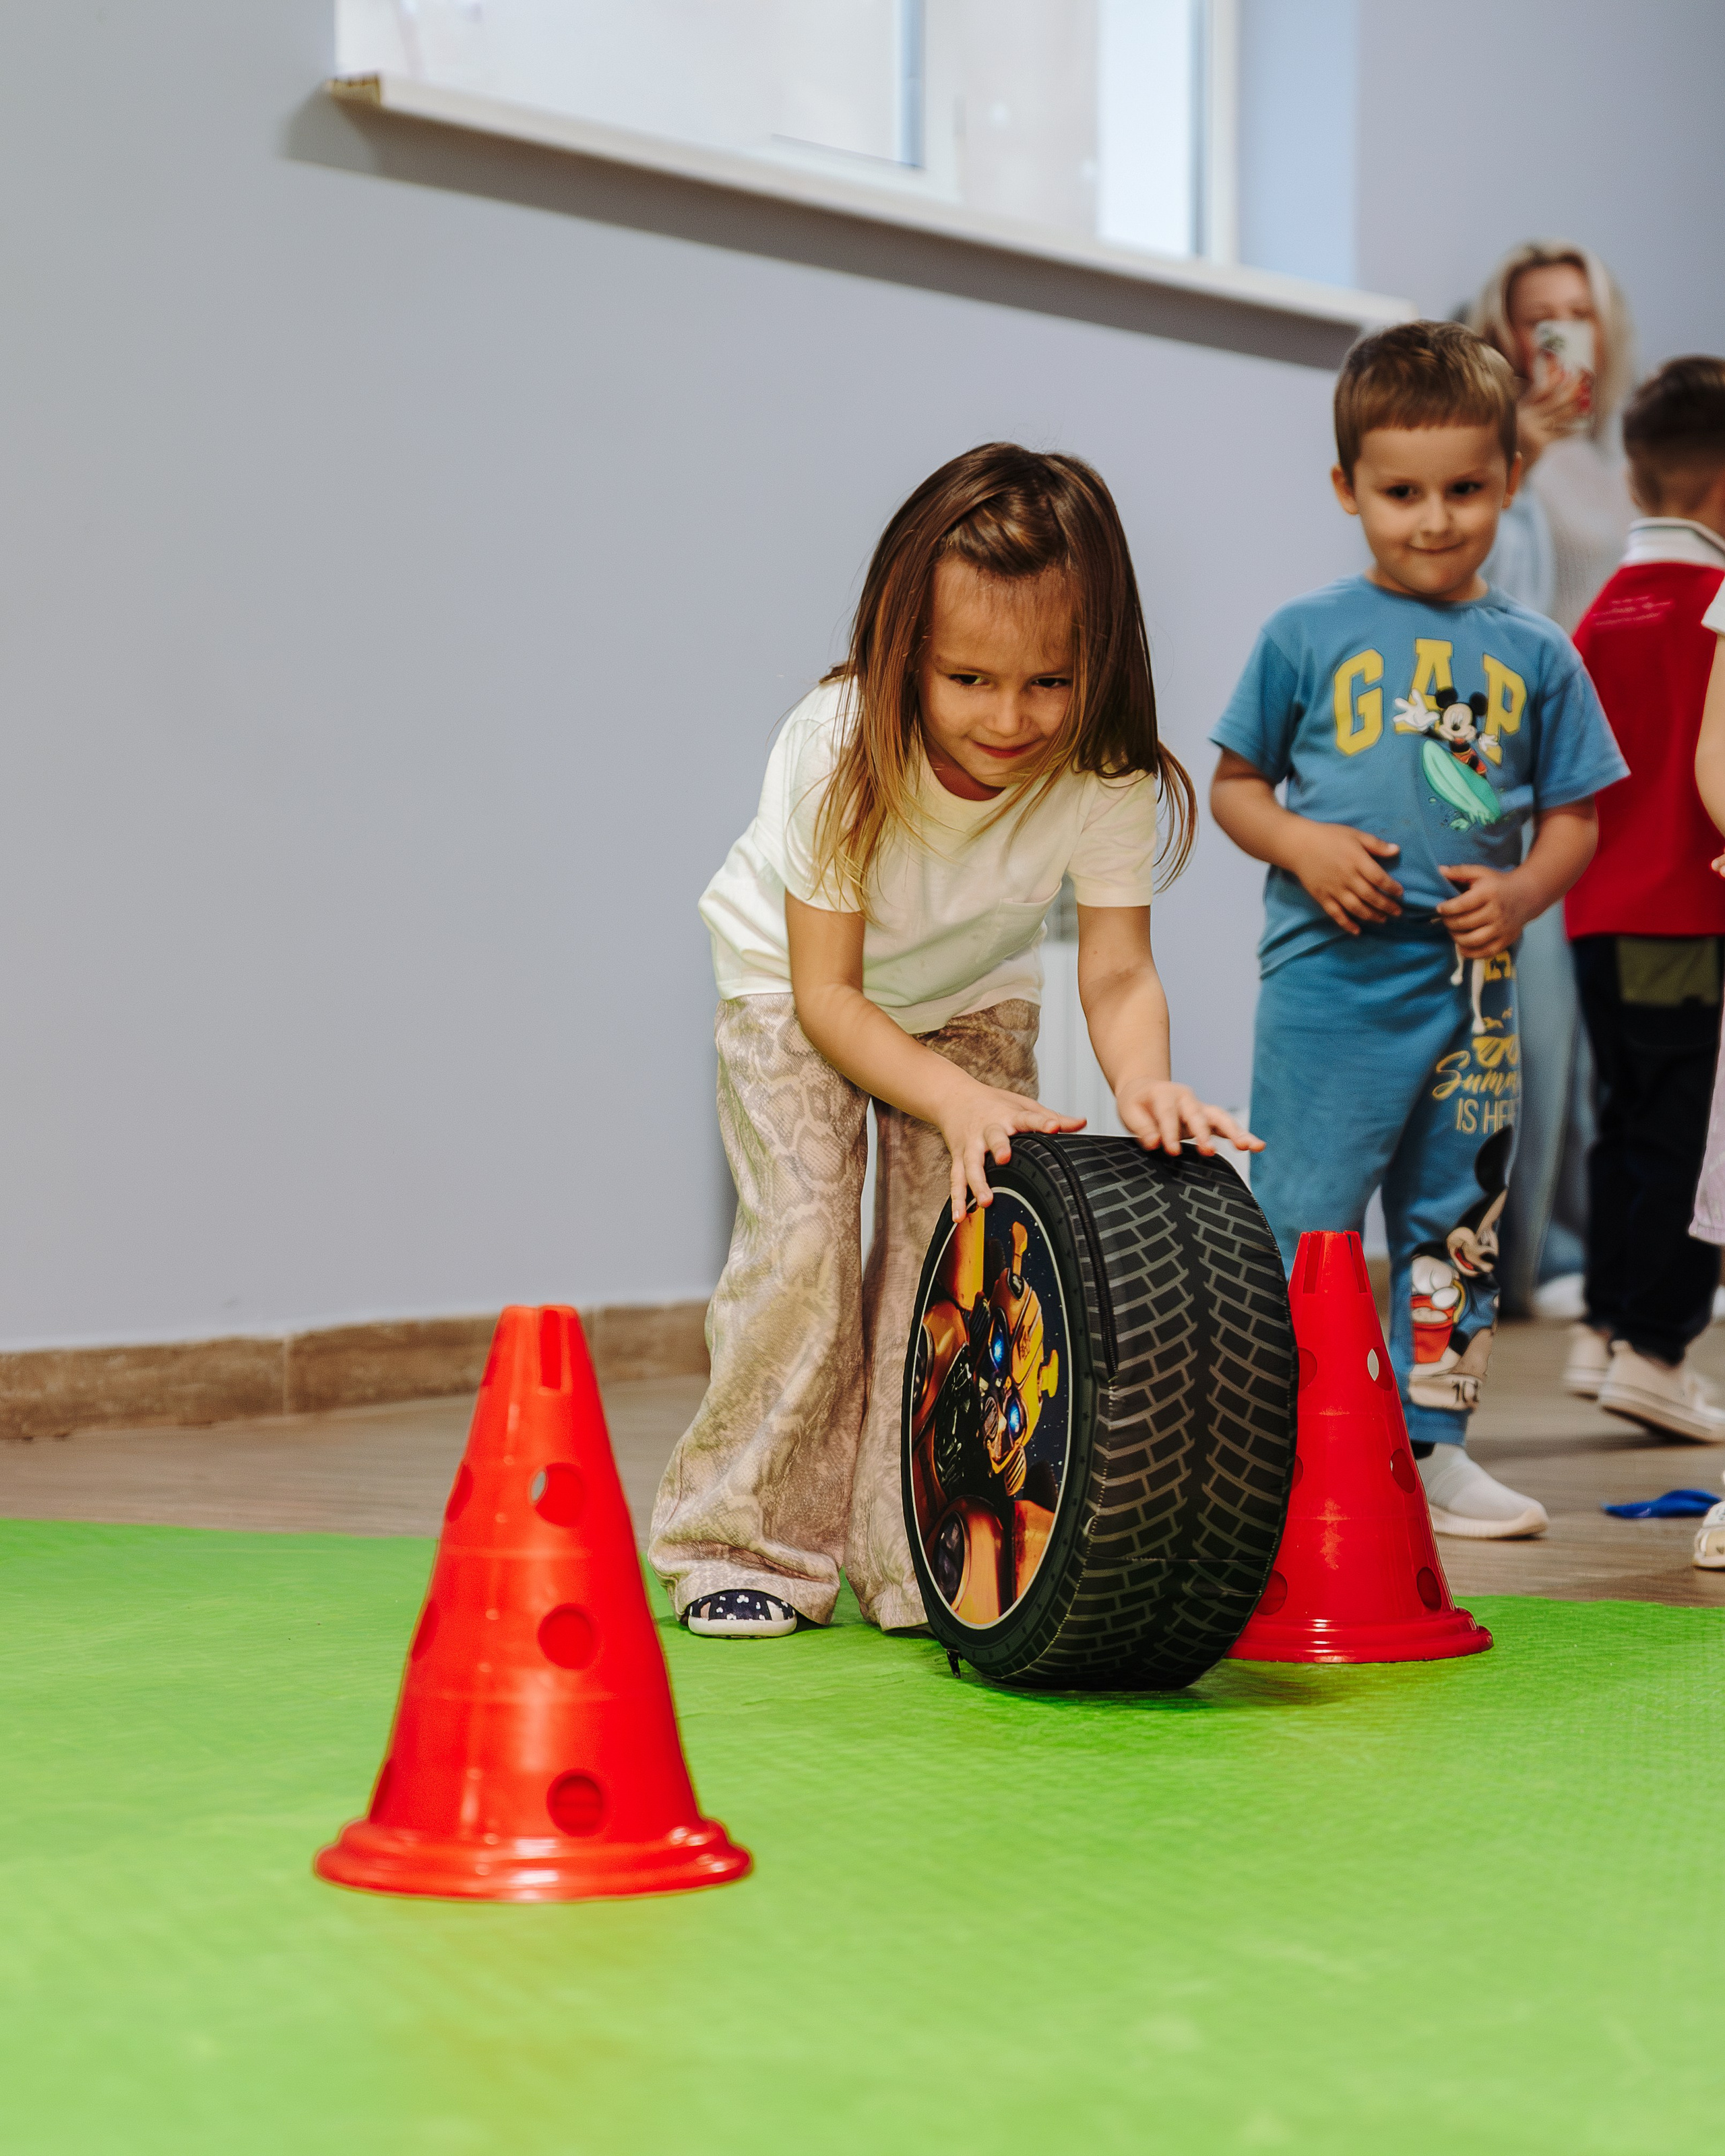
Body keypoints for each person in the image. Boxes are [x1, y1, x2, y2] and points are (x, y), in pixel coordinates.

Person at [651, 444, 1255, 1639]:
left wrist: (1146, 1086)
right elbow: (830, 999)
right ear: (904, 653)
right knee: (809, 1248)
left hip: (971, 993)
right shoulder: (836, 746)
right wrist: (948, 1098)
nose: (1011, 718)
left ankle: (907, 1553)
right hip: (794, 989)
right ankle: (740, 1541)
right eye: (970, 679)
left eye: (1050, 681)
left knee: (958, 1269)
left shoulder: (1105, 767)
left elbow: (1120, 968)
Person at [1209, 322, 1626, 1540]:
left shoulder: (1538, 654)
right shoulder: (1304, 634)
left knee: (1458, 1224)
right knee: (1306, 1215)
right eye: (1400, 493)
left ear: (1508, 479)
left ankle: (1433, 1447)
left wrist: (1526, 893)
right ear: (1348, 490)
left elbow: (1576, 817)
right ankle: (1280, 1441)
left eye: (1466, 490)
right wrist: (1303, 843)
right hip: (1330, 987)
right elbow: (1237, 786)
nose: (1434, 520)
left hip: (1472, 990)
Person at [1467, 243, 1638, 1314]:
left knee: (1612, 1039)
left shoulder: (1629, 473)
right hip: (1534, 783)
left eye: (1579, 312)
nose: (1560, 332)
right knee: (1531, 1037)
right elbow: (1497, 603)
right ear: (1506, 333)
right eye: (1540, 316)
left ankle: (1598, 1251)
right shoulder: (1495, 464)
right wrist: (1514, 454)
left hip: (1634, 781)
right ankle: (1535, 1263)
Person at [1562, 358, 1725, 1439]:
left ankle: (1607, 1328)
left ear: (1632, 480)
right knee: (1688, 1136)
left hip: (1591, 915)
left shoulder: (1596, 615)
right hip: (1685, 914)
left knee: (1623, 1118)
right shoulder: (1717, 608)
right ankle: (1659, 1349)